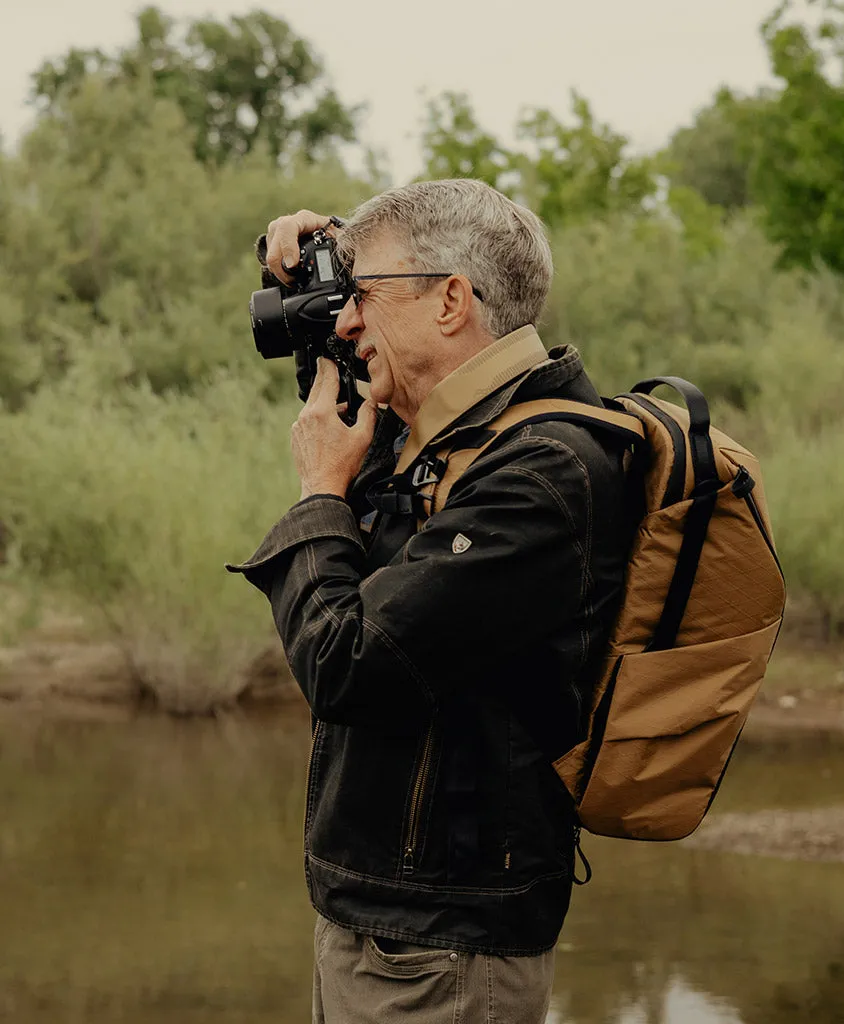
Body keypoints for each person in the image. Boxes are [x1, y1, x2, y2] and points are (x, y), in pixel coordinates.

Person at [228, 179, 630, 1024]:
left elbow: (347, 665)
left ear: (452, 301)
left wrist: (318, 493)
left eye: (362, 297)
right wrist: (327, 278)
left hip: (442, 954)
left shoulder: (540, 474)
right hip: (392, 932)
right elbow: (371, 515)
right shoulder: (450, 443)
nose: (345, 322)